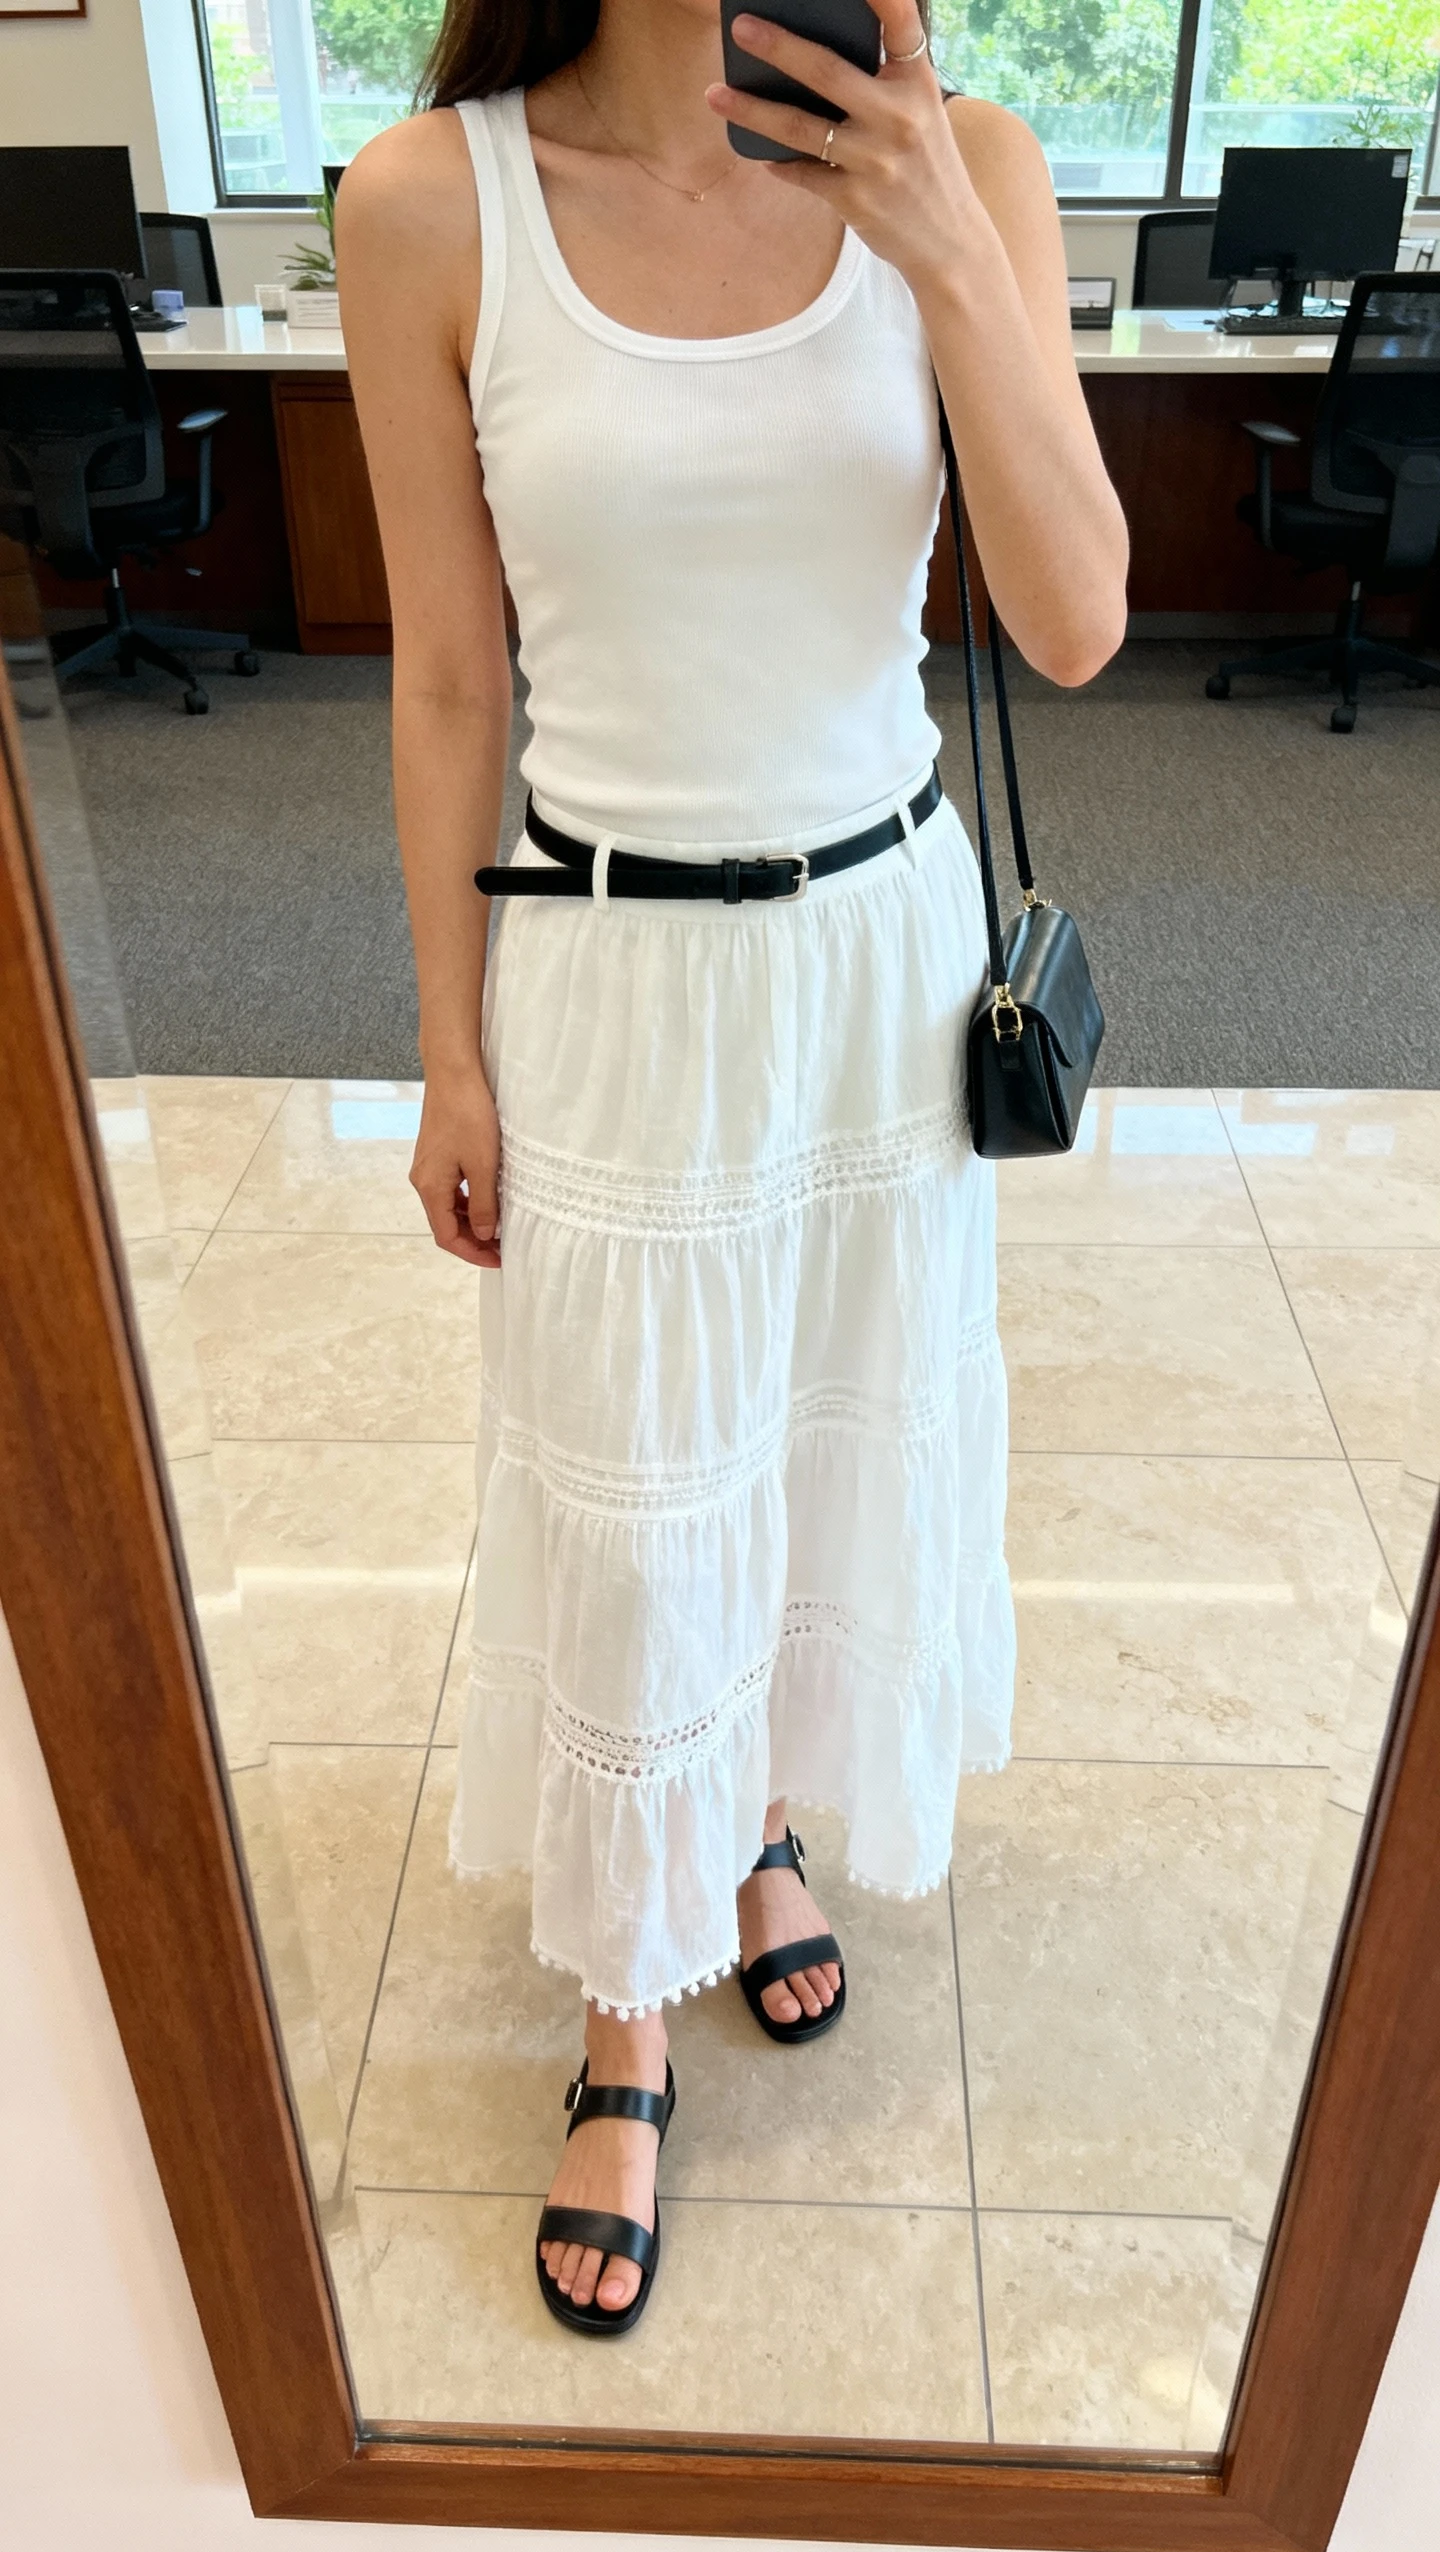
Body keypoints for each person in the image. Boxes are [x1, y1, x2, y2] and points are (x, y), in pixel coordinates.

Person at [336, 0, 1128, 2338]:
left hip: (884, 961)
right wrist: (444, 1048)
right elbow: (448, 674)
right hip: (608, 966)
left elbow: (1076, 619)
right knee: (629, 1496)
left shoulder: (964, 159)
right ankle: (621, 2012)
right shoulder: (427, 201)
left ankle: (763, 1819)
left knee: (812, 1453)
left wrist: (949, 252)